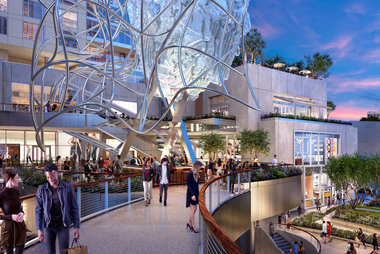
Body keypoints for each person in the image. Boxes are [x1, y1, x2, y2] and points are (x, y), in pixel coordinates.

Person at [35, 163, 80, 254]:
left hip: (63, 225)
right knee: (50, 252)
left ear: (57, 173)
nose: (50, 179)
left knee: (64, 252)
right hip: (49, 225)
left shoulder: (67, 187)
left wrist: (76, 226)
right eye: (48, 177)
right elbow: (38, 210)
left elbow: (74, 207)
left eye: (52, 176)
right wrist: (39, 229)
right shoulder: (42, 189)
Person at [0, 170, 26, 254]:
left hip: (20, 226)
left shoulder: (16, 192)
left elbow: (20, 208)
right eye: (17, 178)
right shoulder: (1, 195)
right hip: (8, 229)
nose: (18, 180)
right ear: (11, 179)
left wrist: (22, 213)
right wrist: (11, 217)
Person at [186, 160, 202, 233]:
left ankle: (189, 222)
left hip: (195, 192)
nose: (200, 168)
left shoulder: (196, 173)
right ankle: (193, 225)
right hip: (191, 193)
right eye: (200, 166)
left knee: (195, 208)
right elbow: (189, 185)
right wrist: (192, 195)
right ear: (197, 166)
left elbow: (196, 184)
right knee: (193, 209)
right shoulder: (190, 173)